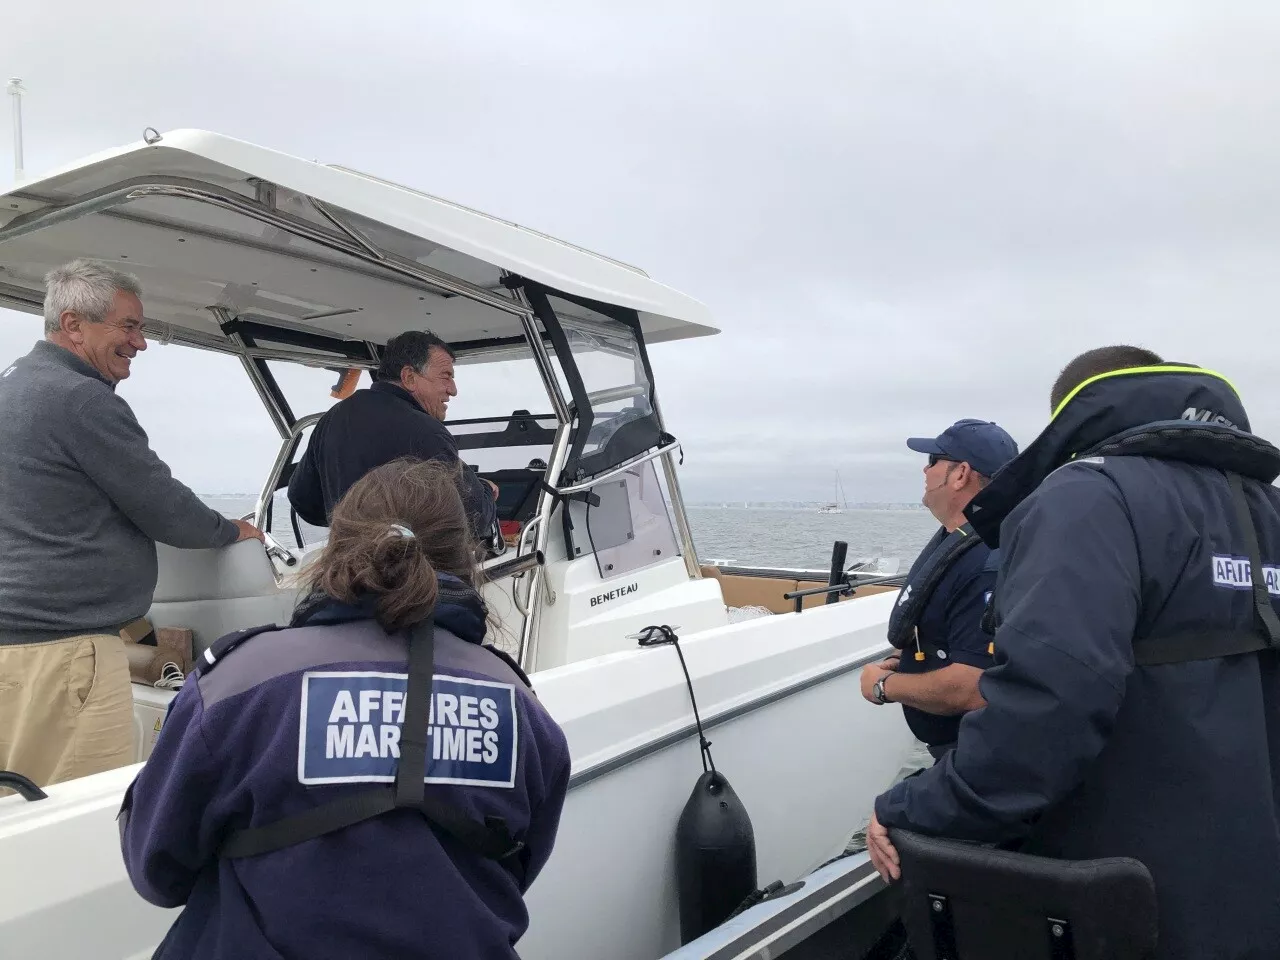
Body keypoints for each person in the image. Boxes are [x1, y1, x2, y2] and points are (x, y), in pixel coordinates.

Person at [867, 346, 1280, 960]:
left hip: (1129, 904)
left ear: (1072, 413)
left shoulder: (1087, 496)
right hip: (1251, 896)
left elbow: (1045, 708)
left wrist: (910, 807)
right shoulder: (1265, 509)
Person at [120, 458, 572, 960]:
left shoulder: (236, 685)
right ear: (464, 557)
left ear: (336, 549)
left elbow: (156, 870)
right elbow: (517, 868)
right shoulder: (520, 707)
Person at [0, 259, 262, 790]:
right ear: (73, 325)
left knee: (16, 808)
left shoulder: (14, 385)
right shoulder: (79, 398)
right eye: (128, 326)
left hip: (15, 647)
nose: (140, 342)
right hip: (63, 655)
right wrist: (232, 530)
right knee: (74, 816)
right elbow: (164, 507)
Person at [859, 419, 1018, 762]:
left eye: (933, 461)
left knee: (884, 817)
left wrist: (884, 686)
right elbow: (953, 636)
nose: (925, 469)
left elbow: (974, 684)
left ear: (960, 474)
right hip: (950, 751)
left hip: (975, 760)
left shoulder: (988, 561)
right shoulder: (960, 541)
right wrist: (905, 660)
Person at [288, 330, 500, 541]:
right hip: (409, 570)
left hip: (347, 567)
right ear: (409, 377)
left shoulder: (333, 417)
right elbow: (474, 520)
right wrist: (487, 492)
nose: (452, 390)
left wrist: (354, 526)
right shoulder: (426, 431)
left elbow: (303, 501)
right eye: (446, 376)